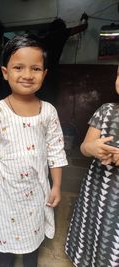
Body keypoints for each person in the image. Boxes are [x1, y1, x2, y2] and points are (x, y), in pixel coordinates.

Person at [0, 33, 68, 267]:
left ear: (44, 74)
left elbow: (56, 151)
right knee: (5, 241)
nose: (27, 75)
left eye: (35, 69)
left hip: (37, 192)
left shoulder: (48, 112)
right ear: (6, 72)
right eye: (18, 67)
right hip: (5, 193)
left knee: (32, 241)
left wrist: (56, 185)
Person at [65, 66, 119, 267]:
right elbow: (84, 147)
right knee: (94, 229)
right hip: (97, 188)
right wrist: (92, 148)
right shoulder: (105, 111)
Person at [39, 13, 88, 105]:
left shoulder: (44, 38)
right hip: (51, 72)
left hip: (39, 72)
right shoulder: (60, 33)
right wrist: (84, 19)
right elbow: (83, 27)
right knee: (50, 99)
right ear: (62, 28)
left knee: (41, 98)